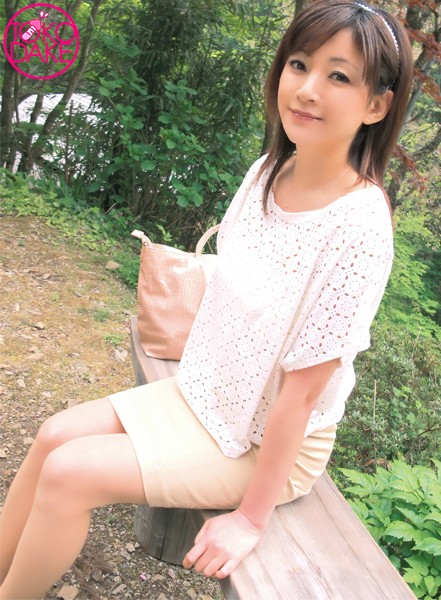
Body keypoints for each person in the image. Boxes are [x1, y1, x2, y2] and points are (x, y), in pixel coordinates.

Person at [0, 1, 414, 598]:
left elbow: (302, 394)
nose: (307, 89)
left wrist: (249, 519)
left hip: (266, 444)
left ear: (376, 105)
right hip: (206, 393)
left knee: (69, 473)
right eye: (299, 64)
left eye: (339, 76)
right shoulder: (269, 171)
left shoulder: (360, 228)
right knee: (51, 437)